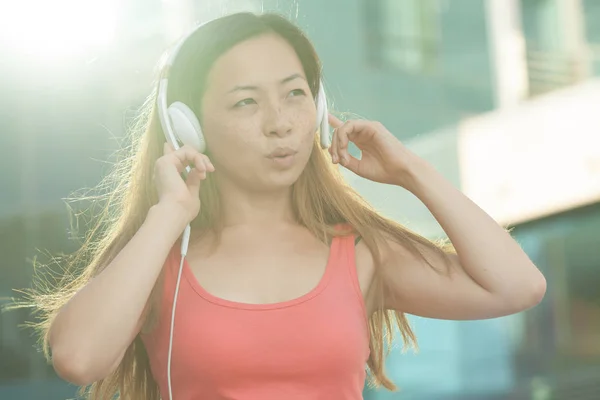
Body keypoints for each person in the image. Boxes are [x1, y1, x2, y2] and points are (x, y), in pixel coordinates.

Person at [34, 12, 546, 400]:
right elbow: (79, 359)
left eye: (295, 94)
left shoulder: (362, 252)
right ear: (186, 125)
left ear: (318, 109)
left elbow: (518, 286)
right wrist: (168, 215)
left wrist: (410, 172)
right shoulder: (158, 257)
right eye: (245, 102)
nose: (279, 122)